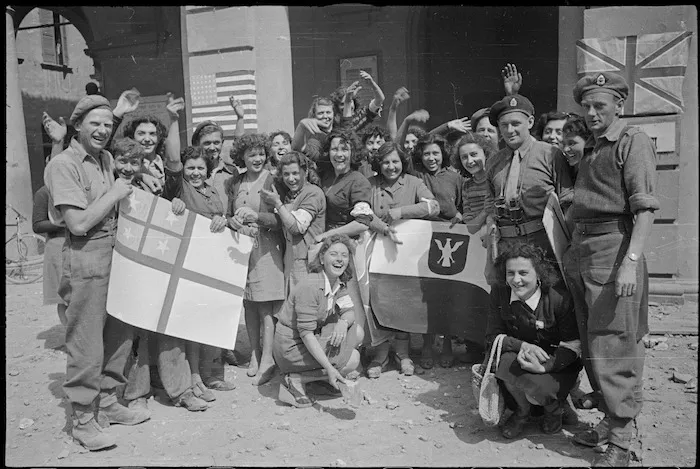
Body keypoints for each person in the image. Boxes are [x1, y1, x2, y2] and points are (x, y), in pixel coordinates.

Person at [44, 95, 150, 451]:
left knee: (119, 332)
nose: (103, 130)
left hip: (117, 254)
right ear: (77, 126)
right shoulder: (63, 164)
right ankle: (84, 421)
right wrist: (117, 192)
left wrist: (117, 114)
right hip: (86, 256)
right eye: (95, 123)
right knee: (86, 341)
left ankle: (107, 401)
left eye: (108, 124)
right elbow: (77, 223)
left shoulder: (105, 157)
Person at [563, 72, 658, 467]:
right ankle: (608, 418)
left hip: (613, 250)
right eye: (586, 106)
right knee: (591, 341)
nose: (591, 113)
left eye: (599, 105)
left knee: (615, 342)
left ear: (620, 103)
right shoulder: (590, 147)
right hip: (581, 248)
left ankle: (621, 438)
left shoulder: (631, 141)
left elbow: (645, 208)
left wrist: (630, 264)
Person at [484, 242, 581, 439]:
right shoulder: (499, 293)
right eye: (510, 273)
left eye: (523, 273)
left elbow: (573, 344)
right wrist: (522, 346)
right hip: (519, 359)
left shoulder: (558, 298)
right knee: (504, 364)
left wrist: (547, 366)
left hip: (554, 362)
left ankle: (555, 409)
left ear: (539, 273)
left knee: (544, 392)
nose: (516, 280)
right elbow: (492, 336)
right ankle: (522, 412)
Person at [164, 143, 237, 400]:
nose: (195, 173)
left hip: (213, 262)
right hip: (188, 263)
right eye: (190, 167)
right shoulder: (180, 189)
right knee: (193, 323)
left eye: (200, 168)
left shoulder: (212, 190)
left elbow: (222, 219)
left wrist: (223, 220)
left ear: (208, 170)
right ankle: (194, 378)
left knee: (211, 318)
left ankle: (212, 375)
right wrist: (174, 204)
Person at [365, 141, 439, 377]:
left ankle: (403, 353)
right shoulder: (370, 184)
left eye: (395, 161)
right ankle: (381, 355)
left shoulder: (414, 182)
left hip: (406, 256)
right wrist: (380, 225)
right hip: (377, 252)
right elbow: (361, 212)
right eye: (385, 162)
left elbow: (433, 207)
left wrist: (401, 212)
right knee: (379, 301)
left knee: (404, 301)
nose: (390, 166)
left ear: (402, 162)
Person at [484, 94, 573, 275]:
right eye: (504, 125)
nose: (509, 130)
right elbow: (489, 206)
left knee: (548, 298)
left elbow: (567, 202)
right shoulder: (493, 162)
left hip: (542, 243)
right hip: (506, 244)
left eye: (516, 124)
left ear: (530, 122)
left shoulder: (551, 154)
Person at [272, 234, 365, 407]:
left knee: (357, 332)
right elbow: (306, 333)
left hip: (309, 339)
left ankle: (318, 378)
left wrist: (343, 323)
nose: (339, 260)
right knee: (352, 359)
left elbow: (350, 312)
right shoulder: (311, 285)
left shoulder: (337, 282)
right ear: (322, 258)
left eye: (344, 256)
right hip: (291, 346)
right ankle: (297, 378)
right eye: (334, 254)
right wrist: (330, 368)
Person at [226, 133, 285, 386]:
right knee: (248, 304)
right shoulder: (234, 182)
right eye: (252, 155)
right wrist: (235, 221)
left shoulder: (272, 179)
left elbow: (279, 220)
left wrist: (256, 217)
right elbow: (228, 215)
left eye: (261, 153)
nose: (257, 158)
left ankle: (268, 359)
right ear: (243, 157)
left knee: (264, 304)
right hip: (241, 249)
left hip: (266, 248)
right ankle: (254, 353)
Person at [411, 133, 463, 369]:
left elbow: (462, 206)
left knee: (448, 294)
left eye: (435, 153)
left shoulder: (455, 177)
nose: (431, 158)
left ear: (443, 154)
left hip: (450, 239)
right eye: (426, 153)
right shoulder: (417, 175)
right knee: (427, 296)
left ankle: (449, 344)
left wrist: (460, 214)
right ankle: (427, 345)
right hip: (424, 238)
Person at [260, 151, 326, 292]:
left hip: (308, 263)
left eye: (295, 173)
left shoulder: (313, 193)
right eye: (286, 174)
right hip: (291, 263)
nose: (291, 179)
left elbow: (296, 228)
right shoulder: (290, 195)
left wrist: (277, 203)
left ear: (306, 172)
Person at [450, 132, 498, 287]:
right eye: (464, 157)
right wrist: (486, 211)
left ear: (486, 154)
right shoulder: (466, 186)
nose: (470, 161)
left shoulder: (498, 178)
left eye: (474, 154)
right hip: (481, 248)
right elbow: (471, 227)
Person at [32, 184, 68, 325]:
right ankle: (71, 338)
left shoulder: (74, 187)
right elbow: (37, 225)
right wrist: (67, 222)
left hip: (80, 245)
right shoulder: (44, 192)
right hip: (58, 247)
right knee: (65, 298)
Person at [561, 113, 591, 184]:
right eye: (563, 144)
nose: (565, 149)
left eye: (571, 143)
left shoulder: (596, 174)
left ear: (588, 142)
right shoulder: (565, 171)